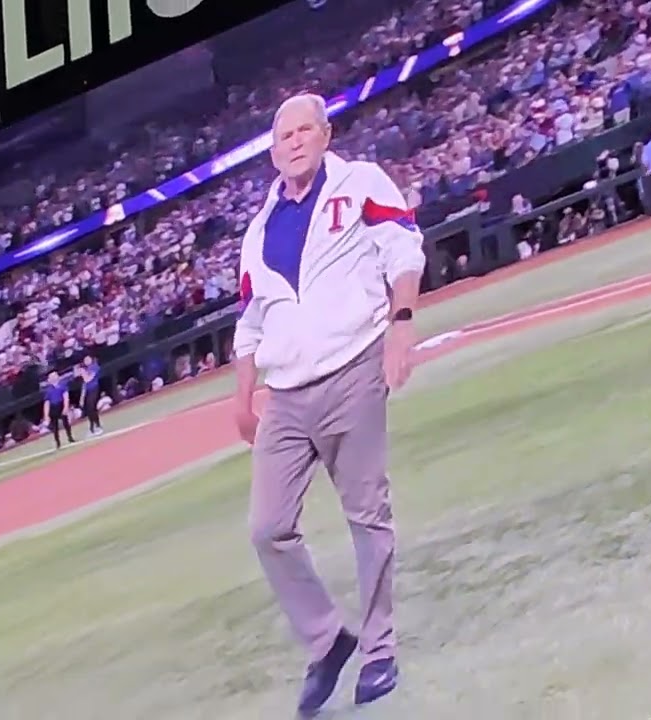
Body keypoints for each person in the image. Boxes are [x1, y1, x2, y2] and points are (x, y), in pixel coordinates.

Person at [231, 93, 426, 717]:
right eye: (282, 134)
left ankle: (378, 649)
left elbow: (404, 249)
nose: (292, 141)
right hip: (285, 393)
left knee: (367, 511)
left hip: (353, 366)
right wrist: (242, 396)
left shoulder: (360, 182)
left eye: (303, 130)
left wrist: (401, 324)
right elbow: (249, 317)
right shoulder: (258, 228)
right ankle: (327, 640)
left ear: (324, 134)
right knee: (267, 527)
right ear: (272, 148)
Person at [41, 370, 76, 449]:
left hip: (61, 404)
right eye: (51, 377)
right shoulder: (48, 390)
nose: (53, 378)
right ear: (49, 379)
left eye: (55, 376)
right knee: (55, 426)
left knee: (66, 422)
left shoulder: (62, 385)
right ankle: (57, 442)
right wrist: (46, 415)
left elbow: (66, 397)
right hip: (53, 407)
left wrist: (66, 406)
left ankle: (70, 437)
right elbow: (47, 403)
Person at [79, 355, 104, 436]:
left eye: (88, 359)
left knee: (91, 407)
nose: (86, 361)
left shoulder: (94, 367)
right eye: (85, 360)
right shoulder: (86, 369)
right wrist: (82, 398)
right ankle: (92, 427)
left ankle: (98, 425)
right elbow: (84, 385)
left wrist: (83, 373)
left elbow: (88, 379)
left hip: (94, 388)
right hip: (88, 391)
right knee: (88, 409)